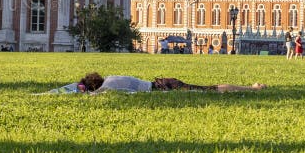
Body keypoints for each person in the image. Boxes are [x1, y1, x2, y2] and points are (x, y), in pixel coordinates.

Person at [77, 72, 266, 94]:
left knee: (212, 90)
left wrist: (83, 92)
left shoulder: (106, 88)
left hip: (164, 87)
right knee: (208, 89)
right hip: (163, 81)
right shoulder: (110, 78)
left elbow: (94, 97)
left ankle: (252, 89)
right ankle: (252, 87)